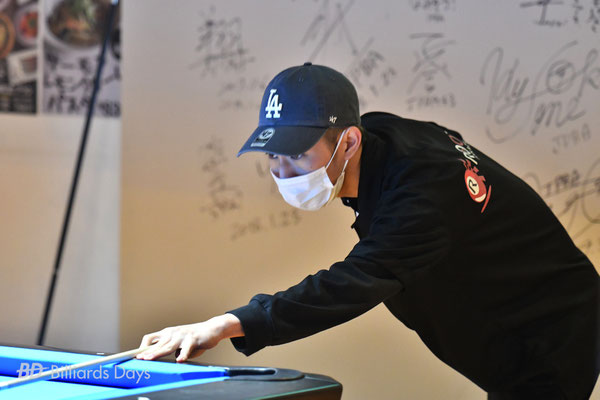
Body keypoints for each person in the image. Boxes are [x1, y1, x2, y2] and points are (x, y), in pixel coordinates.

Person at [137, 63, 599, 399]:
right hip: (500, 323)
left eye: (296, 155)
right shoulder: (380, 138)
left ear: (348, 142)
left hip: (550, 333)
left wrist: (226, 324)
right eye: (272, 156)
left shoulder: (423, 193)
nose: (282, 172)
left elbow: (354, 282)